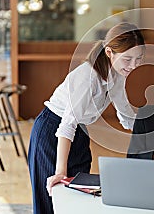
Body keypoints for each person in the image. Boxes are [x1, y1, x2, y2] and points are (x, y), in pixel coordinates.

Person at [28, 22, 145, 214]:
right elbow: (66, 126)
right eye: (128, 59)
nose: (133, 66)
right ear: (109, 52)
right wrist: (60, 172)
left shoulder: (117, 75)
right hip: (52, 132)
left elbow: (126, 116)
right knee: (51, 202)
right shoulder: (88, 77)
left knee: (78, 200)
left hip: (80, 133)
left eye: (138, 59)